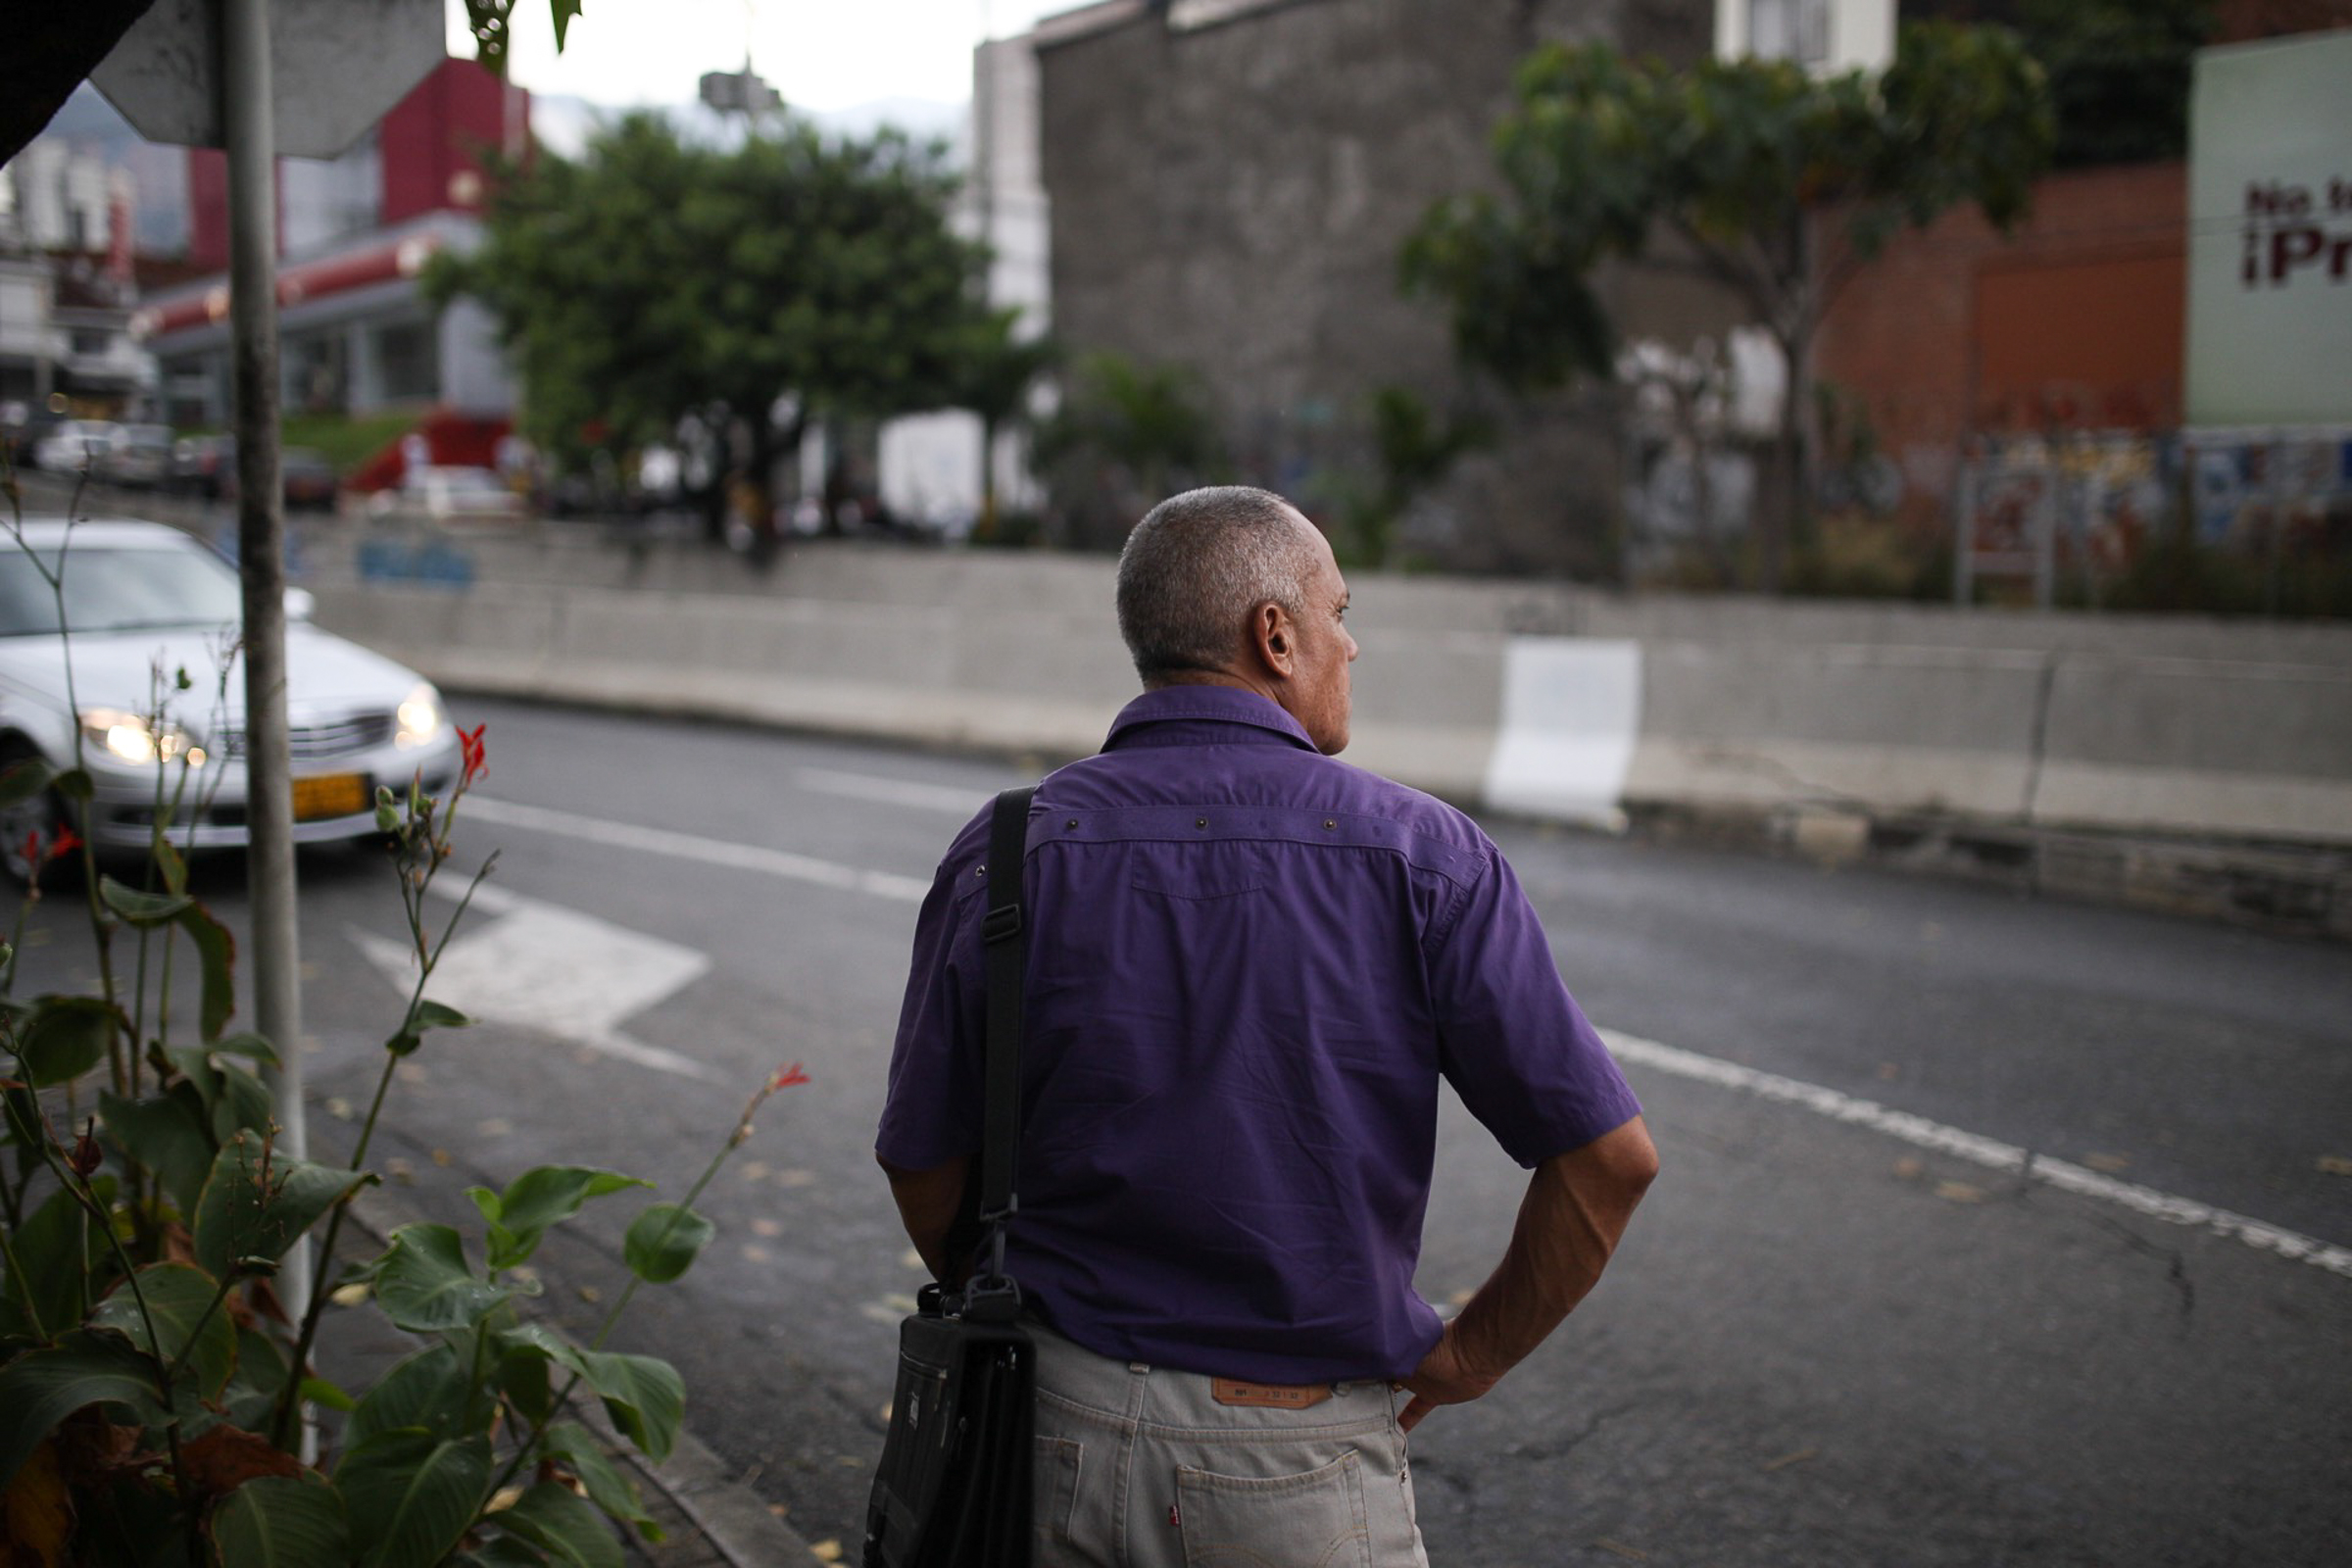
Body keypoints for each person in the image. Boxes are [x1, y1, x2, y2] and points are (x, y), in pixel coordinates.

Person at [877, 485, 1657, 1565]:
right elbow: (1608, 1162)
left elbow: (921, 1158)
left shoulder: (1009, 847)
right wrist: (1468, 1358)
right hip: (1293, 1469)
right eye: (1339, 613)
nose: (1353, 644)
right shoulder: (1425, 856)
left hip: (1040, 1439)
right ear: (1275, 636)